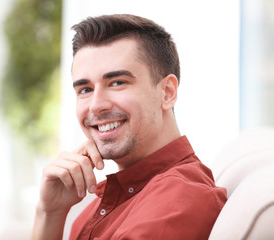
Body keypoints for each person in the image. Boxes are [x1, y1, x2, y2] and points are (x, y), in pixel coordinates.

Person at [32, 14, 227, 240]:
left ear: (167, 93)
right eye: (85, 89)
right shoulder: (116, 193)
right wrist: (50, 213)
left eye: (117, 82)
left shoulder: (177, 200)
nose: (96, 105)